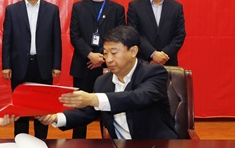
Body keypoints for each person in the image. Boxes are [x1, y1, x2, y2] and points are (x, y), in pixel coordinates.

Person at [36, 25, 178, 140]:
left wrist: (92, 98)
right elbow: (89, 112)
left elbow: (138, 97)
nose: (108, 59)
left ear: (133, 51)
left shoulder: (154, 73)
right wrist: (56, 118)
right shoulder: (102, 82)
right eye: (105, 53)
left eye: (114, 53)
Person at [2, 0, 62, 140]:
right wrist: (6, 65)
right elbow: (7, 40)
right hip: (20, 65)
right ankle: (21, 140)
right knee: (20, 108)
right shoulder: (12, 10)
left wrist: (56, 65)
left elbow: (56, 39)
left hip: (43, 65)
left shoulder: (52, 10)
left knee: (42, 108)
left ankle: (41, 141)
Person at [68, 0, 126, 138]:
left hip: (108, 66)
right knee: (80, 106)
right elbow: (75, 36)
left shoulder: (117, 9)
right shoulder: (78, 7)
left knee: (107, 106)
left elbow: (119, 37)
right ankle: (77, 143)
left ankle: (110, 143)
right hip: (83, 64)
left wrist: (102, 57)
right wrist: (90, 54)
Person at [127, 0, 186, 66]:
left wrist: (163, 55)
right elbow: (134, 33)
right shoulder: (135, 6)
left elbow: (179, 35)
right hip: (144, 62)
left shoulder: (176, 7)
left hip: (168, 61)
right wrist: (153, 54)